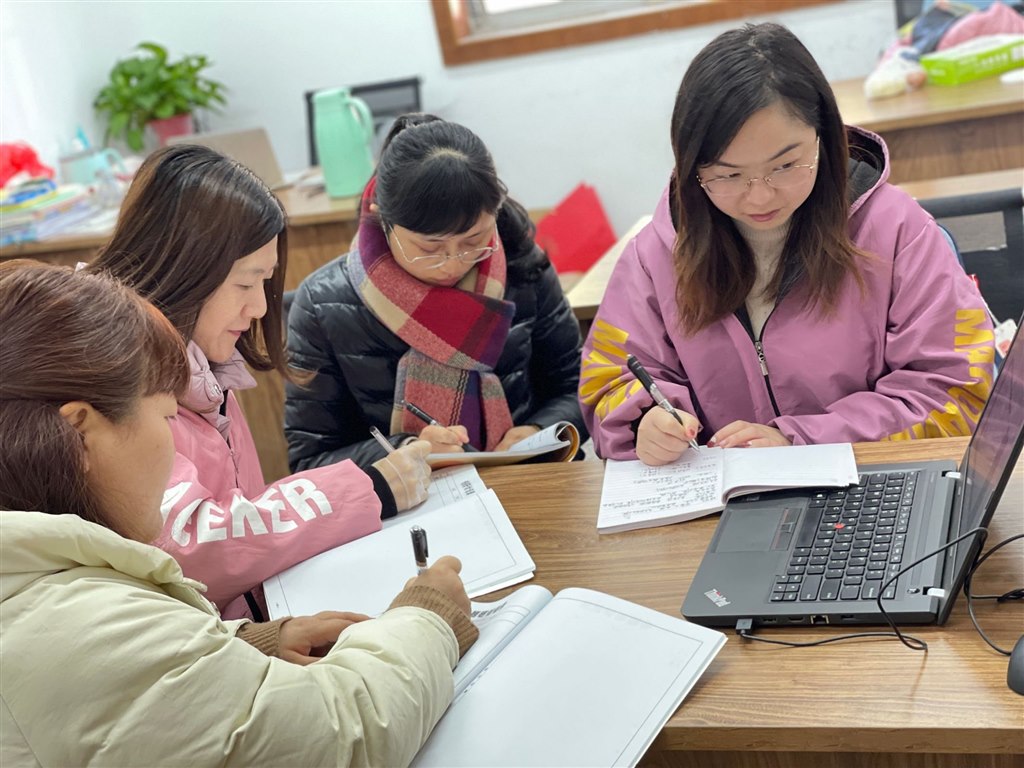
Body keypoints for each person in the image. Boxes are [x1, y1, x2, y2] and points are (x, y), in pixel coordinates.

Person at [0, 261, 478, 766]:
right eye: (166, 417)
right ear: (80, 432)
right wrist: (429, 616)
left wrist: (246, 645)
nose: (260, 306)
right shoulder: (84, 625)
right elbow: (341, 735)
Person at [580, 22, 995, 465]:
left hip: (868, 483)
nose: (759, 197)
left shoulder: (897, 232)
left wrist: (801, 441)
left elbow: (955, 390)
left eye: (785, 165)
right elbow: (609, 382)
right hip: (724, 497)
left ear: (824, 137)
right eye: (728, 175)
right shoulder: (656, 255)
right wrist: (645, 422)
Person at [90, 144, 433, 620]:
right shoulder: (113, 377)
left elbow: (240, 509)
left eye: (265, 282)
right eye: (245, 284)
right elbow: (182, 546)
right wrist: (368, 489)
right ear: (181, 267)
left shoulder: (204, 362)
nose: (260, 308)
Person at [285, 114, 587, 471]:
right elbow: (310, 461)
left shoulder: (523, 267)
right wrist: (407, 450)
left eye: (474, 240)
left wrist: (537, 429)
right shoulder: (322, 305)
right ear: (382, 219)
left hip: (528, 478)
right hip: (408, 500)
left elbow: (577, 386)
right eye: (429, 248)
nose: (452, 264)